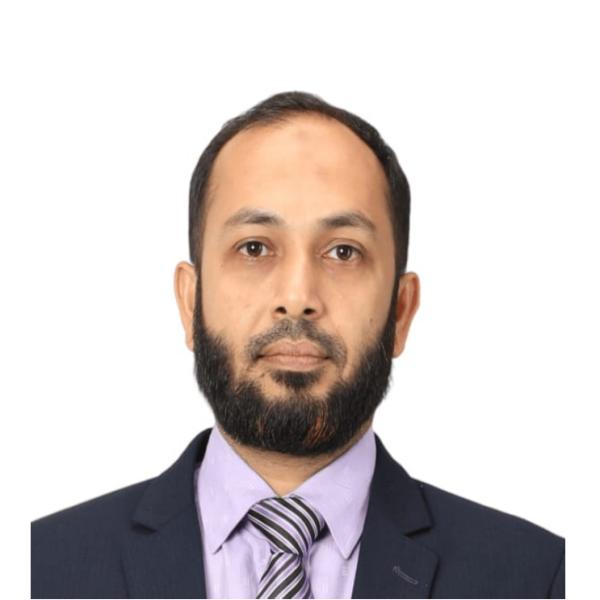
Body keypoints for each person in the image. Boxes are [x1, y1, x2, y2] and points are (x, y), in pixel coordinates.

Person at [31, 91, 565, 599]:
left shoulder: (538, 578)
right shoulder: (39, 569)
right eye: (254, 247)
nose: (297, 297)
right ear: (190, 302)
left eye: (343, 252)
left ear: (401, 311)